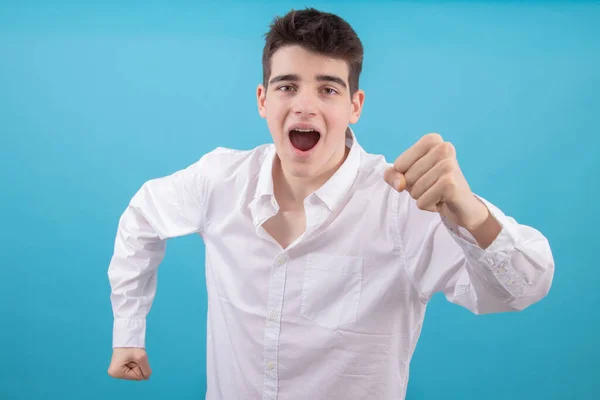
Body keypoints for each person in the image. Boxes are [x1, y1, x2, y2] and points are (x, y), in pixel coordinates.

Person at [106, 7, 554, 399]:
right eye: (286, 86)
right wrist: (128, 332)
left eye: (328, 89)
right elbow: (142, 216)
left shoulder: (402, 205)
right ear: (262, 101)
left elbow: (523, 289)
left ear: (355, 105)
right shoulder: (219, 180)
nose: (304, 106)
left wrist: (469, 212)